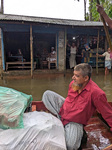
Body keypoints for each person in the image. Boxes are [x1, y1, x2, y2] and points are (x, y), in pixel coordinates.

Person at [42, 63, 112, 150]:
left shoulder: (97, 93)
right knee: (47, 95)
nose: (73, 78)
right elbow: (69, 99)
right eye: (73, 74)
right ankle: (63, 122)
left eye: (77, 76)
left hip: (75, 120)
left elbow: (108, 114)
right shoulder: (73, 84)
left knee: (71, 146)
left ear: (86, 78)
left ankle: (77, 131)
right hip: (65, 110)